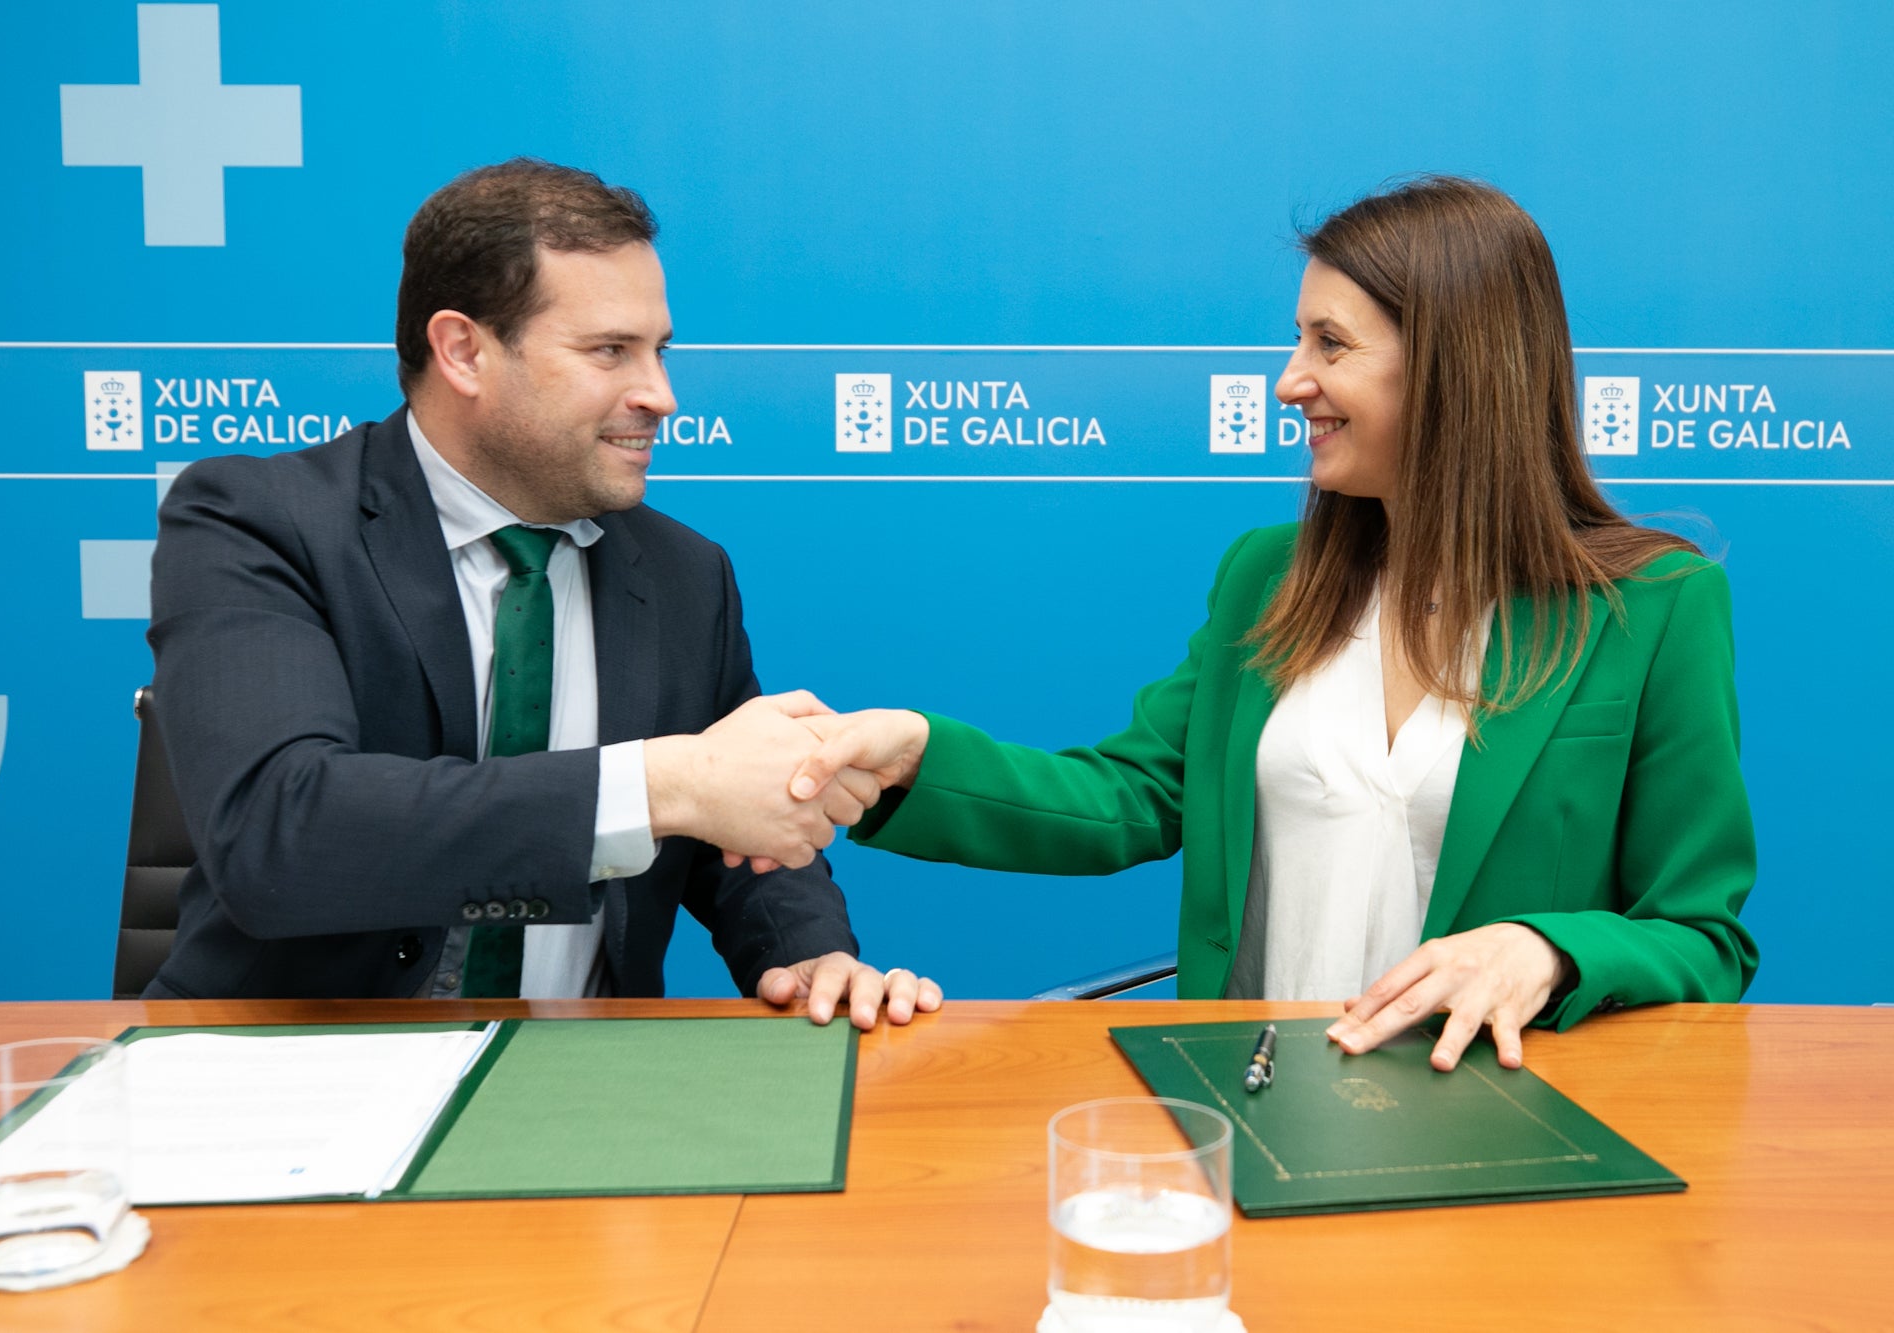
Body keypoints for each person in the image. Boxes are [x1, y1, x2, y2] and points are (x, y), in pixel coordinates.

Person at [777, 176, 1755, 1067]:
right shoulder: (1265, 577)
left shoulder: (1654, 609)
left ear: (1455, 366)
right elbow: (1130, 795)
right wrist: (915, 755)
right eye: (1297, 341)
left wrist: (1542, 948)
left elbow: (1702, 936)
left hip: (1494, 1136)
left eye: (1328, 344)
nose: (1289, 381)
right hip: (1251, 1110)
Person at [145, 158, 939, 1028]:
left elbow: (732, 833)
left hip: (581, 1088)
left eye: (659, 350)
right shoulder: (260, 519)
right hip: (292, 1080)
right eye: (609, 351)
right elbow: (280, 834)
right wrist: (665, 781)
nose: (661, 396)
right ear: (464, 351)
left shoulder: (684, 574)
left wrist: (809, 953)